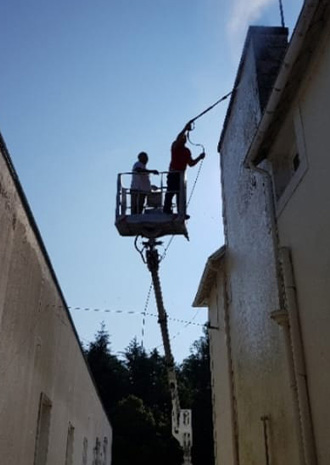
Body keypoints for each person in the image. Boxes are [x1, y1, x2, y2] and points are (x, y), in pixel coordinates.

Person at [163, 122, 205, 215]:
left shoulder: (186, 151)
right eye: (182, 138)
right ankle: (166, 209)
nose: (182, 139)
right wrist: (185, 128)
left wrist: (199, 157)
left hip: (181, 175)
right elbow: (178, 138)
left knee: (180, 194)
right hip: (173, 174)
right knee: (171, 192)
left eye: (184, 138)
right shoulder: (175, 146)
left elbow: (191, 163)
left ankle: (180, 212)